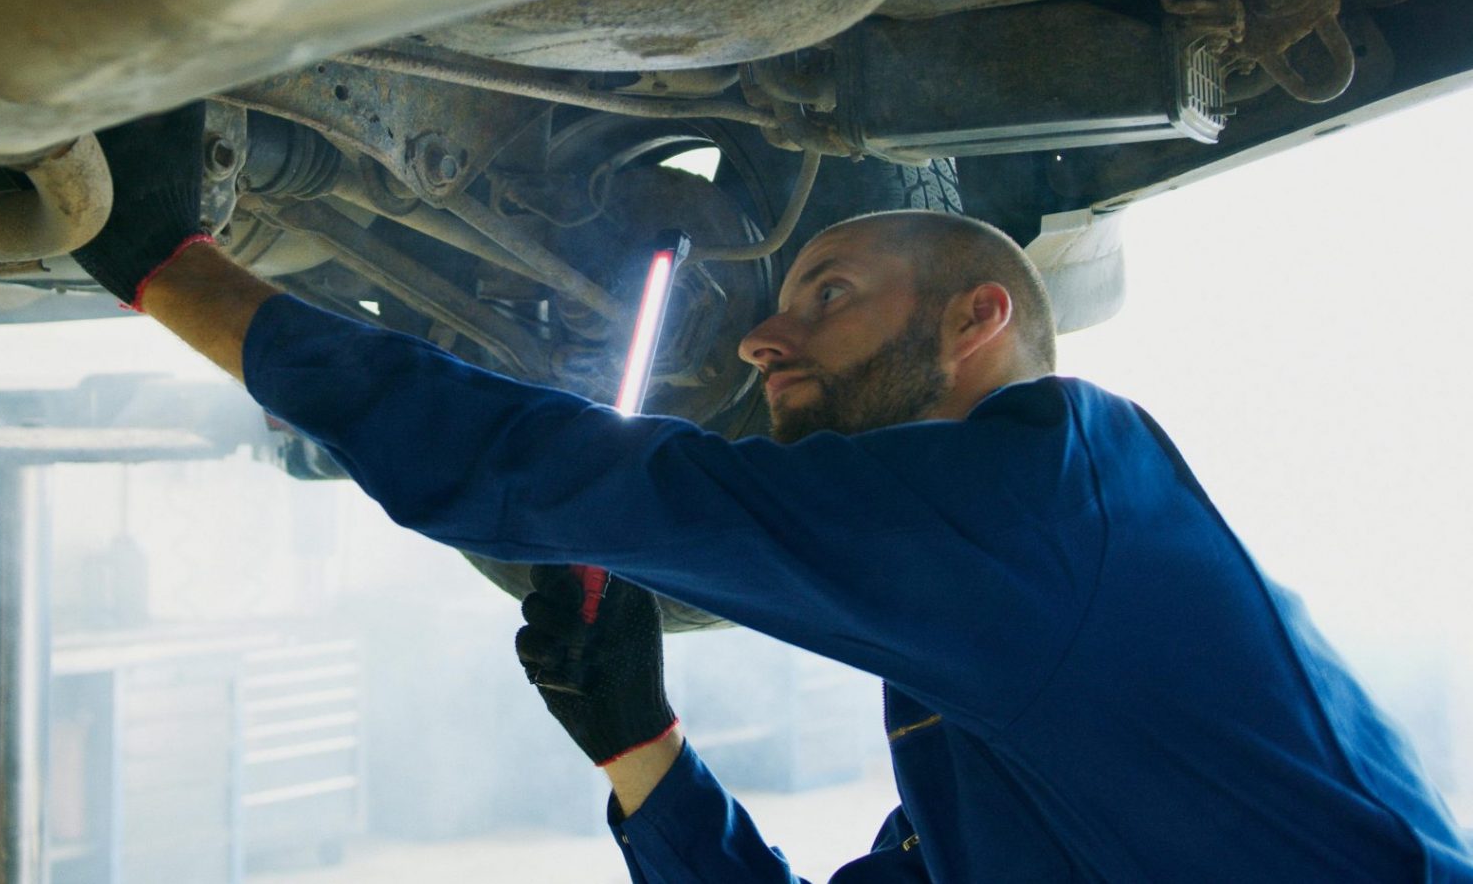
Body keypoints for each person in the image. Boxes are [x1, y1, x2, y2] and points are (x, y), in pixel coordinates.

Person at [71, 105, 1472, 882]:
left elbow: (580, 480)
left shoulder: (1043, 499)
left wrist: (174, 270)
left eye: (830, 293)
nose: (758, 336)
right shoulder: (1001, 665)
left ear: (979, 317)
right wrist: (643, 749)